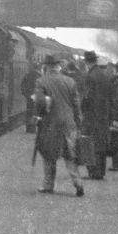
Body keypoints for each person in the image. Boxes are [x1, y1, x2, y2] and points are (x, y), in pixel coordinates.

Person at [32, 54, 84, 197]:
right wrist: (78, 123)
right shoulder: (70, 81)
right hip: (69, 123)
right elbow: (77, 105)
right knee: (70, 155)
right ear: (58, 66)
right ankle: (78, 184)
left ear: (47, 67)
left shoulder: (41, 81)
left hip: (50, 124)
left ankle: (48, 185)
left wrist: (38, 115)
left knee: (49, 154)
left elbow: (40, 102)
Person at [80, 50, 112, 179]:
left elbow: (87, 97)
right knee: (101, 143)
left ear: (87, 62)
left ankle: (93, 171)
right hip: (103, 114)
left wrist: (83, 110)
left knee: (90, 142)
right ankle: (101, 171)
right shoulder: (104, 75)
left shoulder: (90, 76)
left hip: (92, 115)